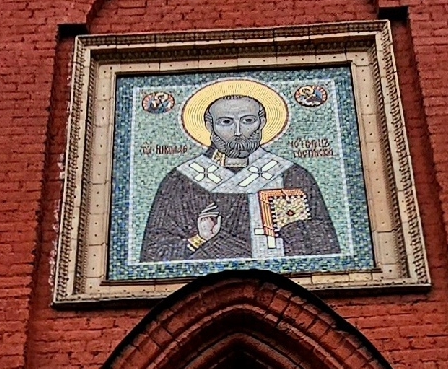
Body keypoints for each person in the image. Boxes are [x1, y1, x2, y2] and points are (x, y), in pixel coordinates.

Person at [137, 80, 340, 267]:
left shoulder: (293, 175)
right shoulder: (181, 180)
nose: (237, 132)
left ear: (262, 122)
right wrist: (199, 239)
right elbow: (155, 252)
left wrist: (293, 232)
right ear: (209, 126)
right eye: (226, 122)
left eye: (248, 121)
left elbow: (325, 247)